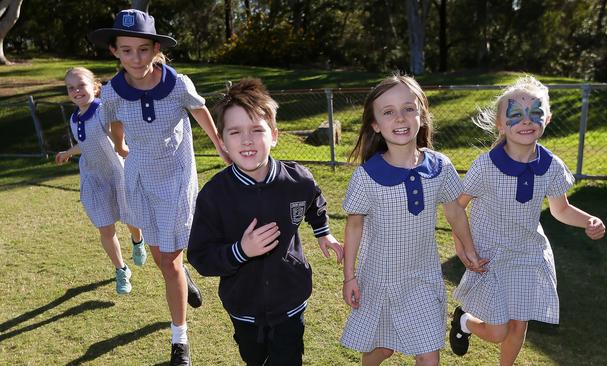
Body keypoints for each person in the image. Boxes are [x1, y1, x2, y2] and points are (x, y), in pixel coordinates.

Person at [87, 9, 229, 365]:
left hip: (177, 176)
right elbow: (112, 122)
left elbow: (200, 112)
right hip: (140, 178)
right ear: (115, 52)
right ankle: (182, 277)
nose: (136, 58)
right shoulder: (114, 92)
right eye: (127, 50)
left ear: (155, 50)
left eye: (143, 49)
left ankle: (179, 341)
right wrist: (121, 146)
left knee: (170, 260)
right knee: (164, 260)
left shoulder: (177, 84)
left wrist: (220, 146)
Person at [448, 75, 606, 365]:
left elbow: (561, 209)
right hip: (491, 255)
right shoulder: (486, 166)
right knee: (498, 331)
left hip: (529, 255)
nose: (526, 121)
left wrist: (588, 221)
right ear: (500, 123)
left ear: (547, 118)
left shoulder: (551, 166)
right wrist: (462, 248)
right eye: (516, 115)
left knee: (519, 325)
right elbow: (457, 208)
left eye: (535, 113)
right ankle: (465, 322)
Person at [187, 78, 343, 366]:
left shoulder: (298, 180)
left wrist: (324, 233)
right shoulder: (214, 195)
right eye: (235, 132)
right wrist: (241, 251)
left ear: (273, 135)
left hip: (290, 301)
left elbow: (314, 200)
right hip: (243, 307)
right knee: (254, 359)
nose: (247, 140)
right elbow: (199, 256)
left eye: (257, 130)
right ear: (222, 141)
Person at [340, 74, 485, 366]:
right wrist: (349, 276)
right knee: (382, 349)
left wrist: (468, 248)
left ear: (422, 113)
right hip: (380, 280)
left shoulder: (440, 166)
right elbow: (354, 225)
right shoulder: (367, 177)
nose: (400, 118)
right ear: (375, 125)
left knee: (429, 356)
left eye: (409, 108)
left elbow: (455, 209)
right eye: (388, 112)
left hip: (423, 278)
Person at [56, 66, 147, 295]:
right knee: (105, 228)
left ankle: (138, 241)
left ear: (94, 87)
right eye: (71, 88)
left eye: (81, 85)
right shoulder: (74, 118)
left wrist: (122, 146)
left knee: (129, 218)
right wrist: (69, 152)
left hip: (117, 172)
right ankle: (121, 270)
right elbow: (85, 143)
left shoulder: (103, 110)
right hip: (94, 177)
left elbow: (119, 129)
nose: (76, 91)